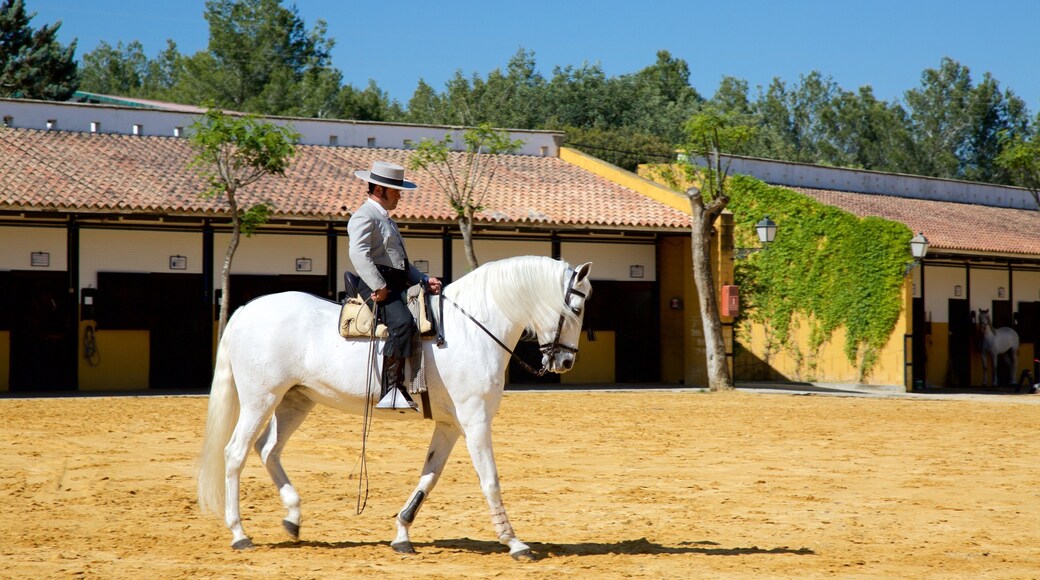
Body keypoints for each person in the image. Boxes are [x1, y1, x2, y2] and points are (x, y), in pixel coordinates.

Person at [348, 161, 442, 411]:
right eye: (396, 191)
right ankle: (391, 390)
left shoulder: (385, 218)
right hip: (377, 284)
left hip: (396, 282)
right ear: (380, 190)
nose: (400, 196)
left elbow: (401, 264)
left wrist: (423, 279)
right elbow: (358, 254)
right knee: (401, 323)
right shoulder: (363, 215)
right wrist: (378, 285)